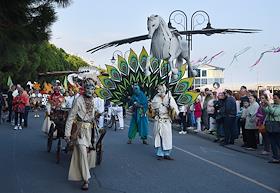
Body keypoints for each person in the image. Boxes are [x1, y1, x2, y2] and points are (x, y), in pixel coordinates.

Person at [64, 78, 101, 190]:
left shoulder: (94, 101)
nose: (90, 90)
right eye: (88, 88)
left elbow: (93, 116)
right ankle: (86, 180)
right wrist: (67, 134)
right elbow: (70, 118)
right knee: (83, 153)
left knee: (89, 152)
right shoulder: (78, 100)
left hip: (90, 131)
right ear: (84, 89)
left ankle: (84, 172)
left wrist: (96, 116)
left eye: (92, 88)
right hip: (80, 131)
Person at [151, 84, 179, 160]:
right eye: (158, 89)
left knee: (167, 137)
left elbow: (175, 109)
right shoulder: (155, 98)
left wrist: (171, 108)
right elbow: (152, 108)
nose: (158, 91)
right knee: (158, 137)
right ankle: (160, 154)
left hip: (166, 120)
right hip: (158, 120)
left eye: (160, 89)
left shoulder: (169, 98)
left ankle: (167, 153)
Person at [264, 92, 280, 163]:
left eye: (275, 98)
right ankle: (275, 157)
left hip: (277, 124)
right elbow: (266, 111)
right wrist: (268, 107)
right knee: (272, 142)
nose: (274, 99)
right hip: (270, 124)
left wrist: (269, 106)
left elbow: (275, 113)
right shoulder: (273, 105)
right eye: (273, 98)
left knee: (278, 141)